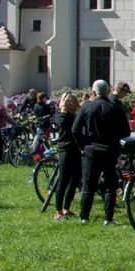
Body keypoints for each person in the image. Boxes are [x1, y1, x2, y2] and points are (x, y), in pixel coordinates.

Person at [74, 80, 130, 225]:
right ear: (108, 91)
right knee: (110, 186)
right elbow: (126, 132)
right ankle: (108, 218)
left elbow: (75, 129)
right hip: (110, 149)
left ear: (93, 92)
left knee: (88, 185)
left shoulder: (86, 106)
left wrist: (83, 145)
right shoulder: (116, 108)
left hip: (91, 149)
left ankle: (84, 216)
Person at [51, 93, 82, 221]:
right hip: (67, 150)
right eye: (76, 102)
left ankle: (66, 208)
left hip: (72, 150)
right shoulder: (65, 117)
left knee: (73, 180)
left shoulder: (65, 115)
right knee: (64, 181)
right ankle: (58, 211)